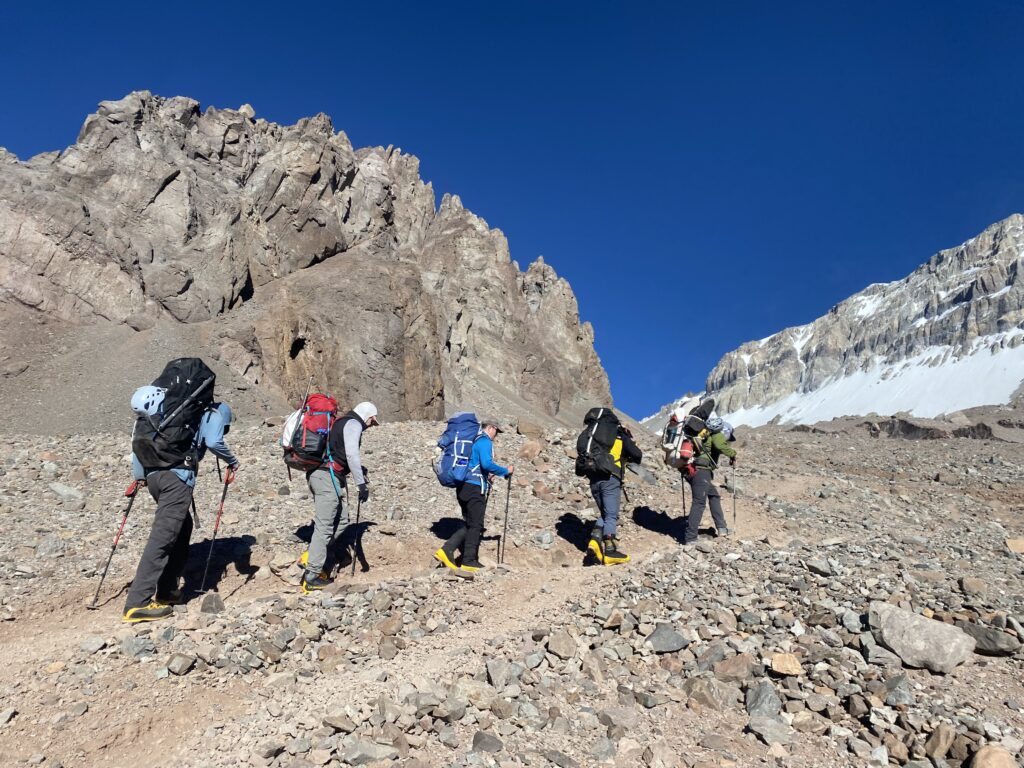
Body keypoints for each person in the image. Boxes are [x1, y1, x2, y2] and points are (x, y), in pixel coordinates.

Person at [123, 399, 240, 623]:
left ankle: (167, 590)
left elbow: (138, 446)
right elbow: (214, 441)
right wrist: (232, 461)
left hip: (153, 477)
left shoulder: (163, 414)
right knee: (164, 535)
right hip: (176, 478)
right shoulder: (213, 410)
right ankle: (137, 603)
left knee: (181, 527)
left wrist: (140, 477)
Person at [300, 401, 379, 593]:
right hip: (326, 478)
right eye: (372, 422)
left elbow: (341, 454)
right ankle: (311, 575)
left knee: (343, 520)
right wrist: (361, 484)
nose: (370, 426)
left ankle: (313, 557)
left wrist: (360, 471)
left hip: (326, 476)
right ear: (369, 416)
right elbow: (352, 455)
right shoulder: (353, 424)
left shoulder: (341, 423)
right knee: (325, 526)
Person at [434, 417, 513, 572]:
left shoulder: (473, 441)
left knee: (470, 523)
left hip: (463, 486)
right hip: (474, 488)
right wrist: (505, 471)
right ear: (491, 428)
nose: (496, 436)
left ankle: (455, 554)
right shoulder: (485, 441)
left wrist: (486, 475)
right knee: (475, 524)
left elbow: (476, 465)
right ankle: (464, 558)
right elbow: (486, 464)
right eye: (496, 432)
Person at [586, 422, 642, 565]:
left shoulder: (597, 440)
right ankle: (610, 551)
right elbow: (637, 455)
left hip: (594, 480)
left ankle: (594, 541)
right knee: (611, 515)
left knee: (605, 514)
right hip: (611, 479)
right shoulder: (620, 438)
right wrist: (626, 438)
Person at [682, 416, 737, 545]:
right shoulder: (717, 434)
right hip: (701, 471)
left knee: (714, 495)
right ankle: (690, 538)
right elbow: (720, 445)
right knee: (699, 503)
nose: (728, 440)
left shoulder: (705, 435)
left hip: (695, 471)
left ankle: (722, 528)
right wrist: (733, 454)